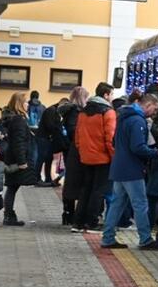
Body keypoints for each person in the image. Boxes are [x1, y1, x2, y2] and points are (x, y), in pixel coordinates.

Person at [100, 92, 158, 250]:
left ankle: (107, 238)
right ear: (148, 105)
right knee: (140, 204)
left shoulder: (123, 117)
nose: (155, 112)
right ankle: (145, 239)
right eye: (155, 109)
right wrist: (157, 153)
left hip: (119, 168)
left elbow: (114, 142)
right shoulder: (138, 120)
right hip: (132, 170)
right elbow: (138, 147)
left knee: (117, 204)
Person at [72, 82, 116, 232]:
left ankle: (77, 222)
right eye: (111, 94)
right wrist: (114, 157)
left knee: (86, 189)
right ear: (106, 95)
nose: (112, 98)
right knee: (99, 190)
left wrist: (82, 150)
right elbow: (110, 138)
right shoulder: (108, 112)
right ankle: (92, 222)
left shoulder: (83, 111)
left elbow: (77, 136)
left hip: (86, 157)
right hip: (102, 157)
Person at [0, 92, 35, 226]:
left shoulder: (14, 119)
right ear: (19, 104)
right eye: (25, 102)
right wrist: (22, 162)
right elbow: (18, 142)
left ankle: (9, 215)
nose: (28, 105)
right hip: (16, 159)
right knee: (12, 187)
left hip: (12, 157)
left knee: (12, 187)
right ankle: (9, 216)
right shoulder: (19, 120)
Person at [59, 87, 88, 225]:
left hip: (69, 149)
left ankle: (68, 212)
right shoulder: (75, 112)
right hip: (75, 150)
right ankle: (70, 214)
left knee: (70, 182)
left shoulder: (68, 111)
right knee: (74, 183)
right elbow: (73, 130)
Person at [38, 97, 67, 186]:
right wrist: (59, 129)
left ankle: (48, 178)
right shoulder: (52, 111)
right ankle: (37, 178)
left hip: (48, 139)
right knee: (42, 159)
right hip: (44, 138)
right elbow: (50, 126)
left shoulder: (54, 110)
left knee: (48, 159)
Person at [26, 90, 45, 174]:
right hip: (39, 130)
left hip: (28, 129)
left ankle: (29, 169)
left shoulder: (26, 106)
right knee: (36, 150)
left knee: (29, 150)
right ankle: (34, 171)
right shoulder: (42, 107)